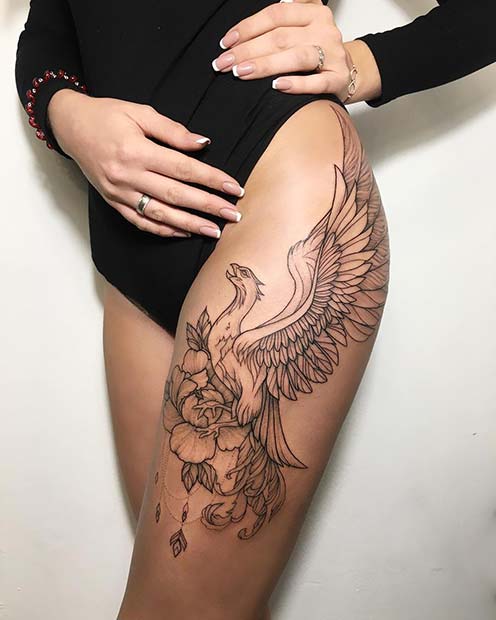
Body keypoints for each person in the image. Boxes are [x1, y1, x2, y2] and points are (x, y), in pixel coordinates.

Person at [14, 1, 495, 618]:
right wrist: (67, 117)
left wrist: (365, 64)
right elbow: (48, 34)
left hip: (281, 203)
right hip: (135, 248)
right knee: (199, 601)